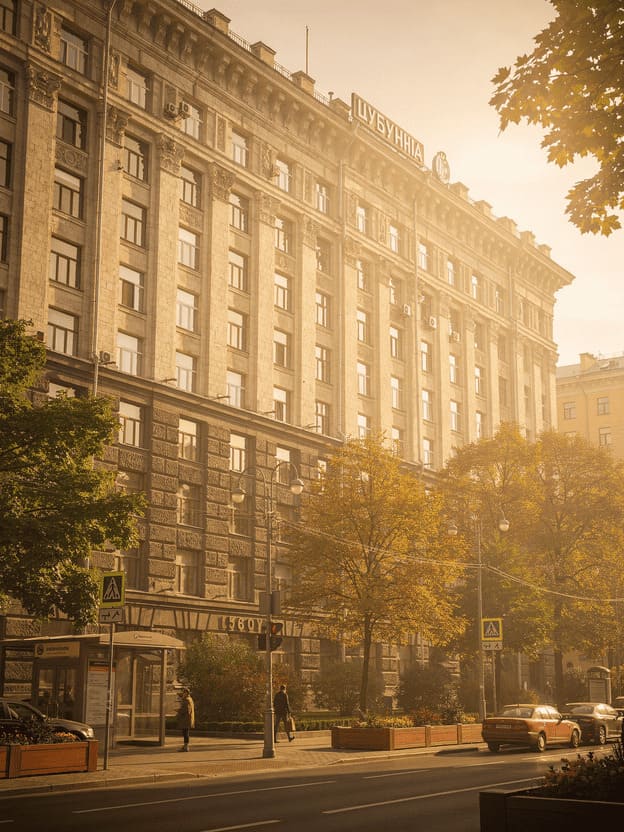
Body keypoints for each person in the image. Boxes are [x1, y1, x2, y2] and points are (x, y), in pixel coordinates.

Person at [176, 687, 195, 752]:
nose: (183, 694)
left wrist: (178, 710)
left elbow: (186, 710)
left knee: (185, 733)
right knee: (185, 732)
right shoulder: (190, 699)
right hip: (188, 718)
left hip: (186, 719)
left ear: (186, 693)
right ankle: (185, 746)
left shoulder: (187, 700)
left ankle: (186, 747)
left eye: (184, 692)